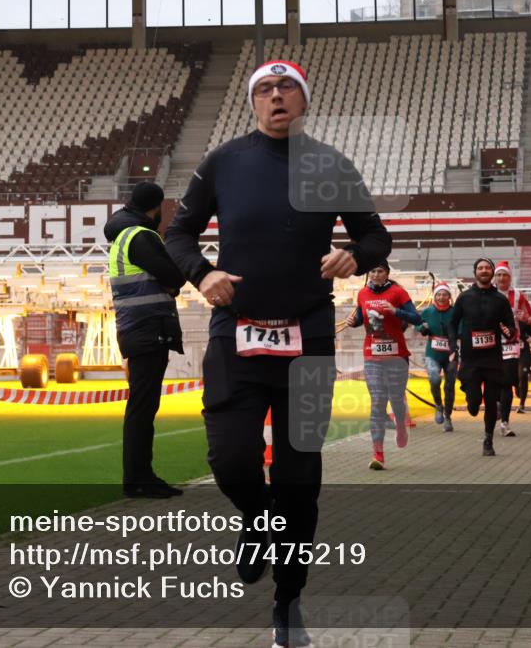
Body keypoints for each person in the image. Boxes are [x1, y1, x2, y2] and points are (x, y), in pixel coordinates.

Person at [166, 59, 391, 647]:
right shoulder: (224, 162)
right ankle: (256, 520)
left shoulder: (331, 165)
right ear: (252, 103)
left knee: (301, 480)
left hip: (308, 340)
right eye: (264, 89)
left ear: (303, 100)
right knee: (233, 461)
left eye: (285, 86)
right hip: (235, 336)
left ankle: (288, 603)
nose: (275, 95)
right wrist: (202, 274)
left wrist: (354, 256)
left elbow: (375, 235)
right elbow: (178, 234)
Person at [104, 182, 186, 499]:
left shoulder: (122, 236)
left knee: (141, 406)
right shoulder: (141, 236)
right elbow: (174, 276)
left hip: (136, 329)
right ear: (157, 207)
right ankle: (140, 478)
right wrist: (172, 284)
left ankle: (138, 477)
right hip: (148, 329)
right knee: (142, 408)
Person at [345, 261, 422, 469]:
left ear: (387, 273)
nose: (376, 275)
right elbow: (361, 318)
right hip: (372, 356)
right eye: (372, 271)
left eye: (380, 271)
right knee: (378, 401)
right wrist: (355, 322)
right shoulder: (362, 294)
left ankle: (400, 426)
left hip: (397, 356)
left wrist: (395, 311)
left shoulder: (398, 292)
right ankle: (378, 454)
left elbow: (416, 317)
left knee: (396, 399)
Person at [448, 258, 517, 456]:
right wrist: (454, 346)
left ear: (493, 273)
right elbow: (452, 323)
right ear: (475, 272)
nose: (484, 271)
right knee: (474, 404)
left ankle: (488, 439)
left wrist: (508, 331)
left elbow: (511, 328)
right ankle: (471, 401)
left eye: (487, 268)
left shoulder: (501, 300)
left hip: (493, 359)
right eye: (480, 268)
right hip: (470, 359)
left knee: (491, 399)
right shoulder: (464, 297)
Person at [493, 261, 531, 436]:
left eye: (505, 275)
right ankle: (496, 404)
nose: (502, 278)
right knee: (493, 384)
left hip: (511, 345)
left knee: (508, 383)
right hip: (491, 345)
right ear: (495, 277)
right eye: (499, 275)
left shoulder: (518, 296)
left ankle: (505, 423)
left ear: (510, 278)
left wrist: (525, 317)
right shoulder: (487, 294)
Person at [417, 282, 457, 432]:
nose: (441, 297)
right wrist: (422, 328)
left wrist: (453, 334)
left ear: (449, 296)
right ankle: (438, 405)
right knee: (434, 378)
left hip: (451, 353)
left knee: (450, 385)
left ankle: (448, 416)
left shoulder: (454, 312)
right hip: (432, 353)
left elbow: (462, 326)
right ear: (434, 296)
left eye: (444, 294)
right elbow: (418, 323)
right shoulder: (428, 311)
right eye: (438, 294)